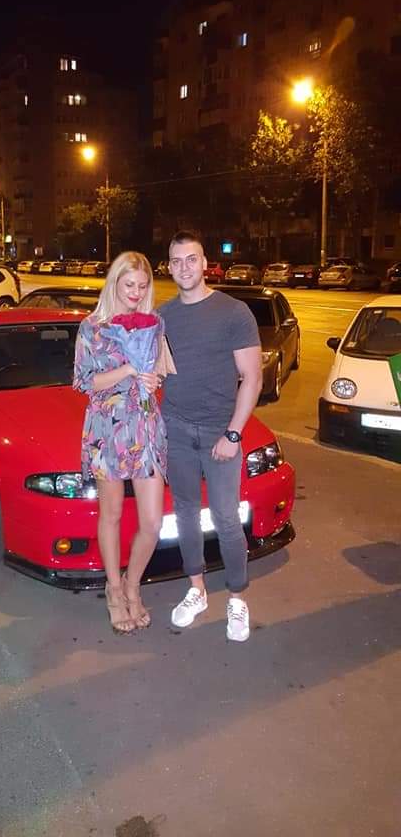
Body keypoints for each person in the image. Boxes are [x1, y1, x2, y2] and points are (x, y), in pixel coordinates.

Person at [159, 231, 262, 641]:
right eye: (176, 260)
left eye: (191, 259)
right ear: (169, 267)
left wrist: (233, 435)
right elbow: (157, 372)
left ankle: (237, 597)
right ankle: (196, 590)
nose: (184, 267)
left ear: (205, 264)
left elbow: (252, 379)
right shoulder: (163, 317)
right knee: (184, 513)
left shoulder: (233, 312)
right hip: (176, 430)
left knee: (226, 517)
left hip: (220, 432)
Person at [73, 251, 167, 634]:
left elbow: (160, 370)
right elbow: (84, 382)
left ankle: (132, 584)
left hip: (144, 426)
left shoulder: (154, 323)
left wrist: (153, 379)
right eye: (129, 284)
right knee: (110, 514)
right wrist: (128, 369)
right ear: (114, 282)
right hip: (107, 428)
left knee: (153, 522)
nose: (136, 292)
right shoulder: (92, 327)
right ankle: (114, 590)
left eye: (142, 286)